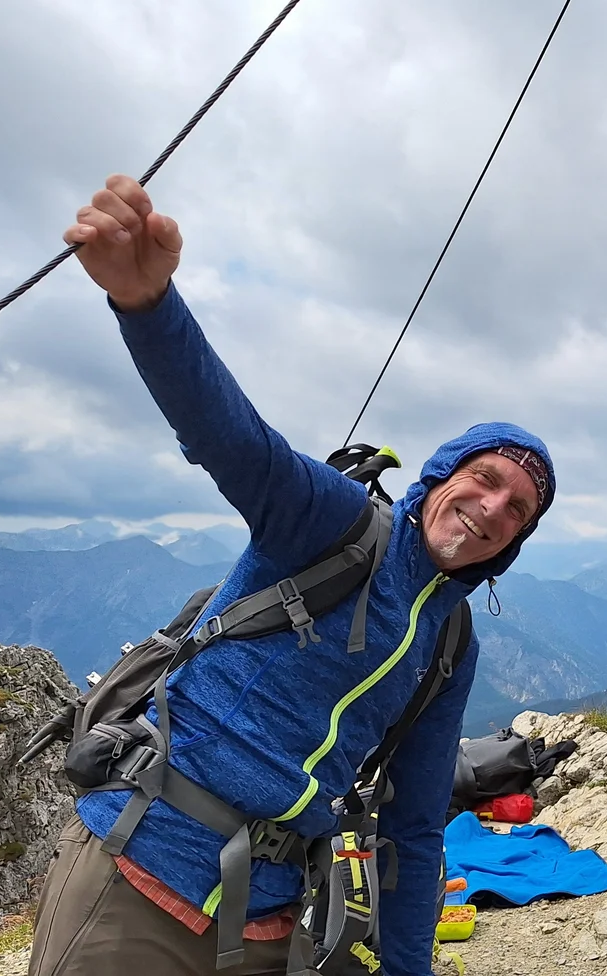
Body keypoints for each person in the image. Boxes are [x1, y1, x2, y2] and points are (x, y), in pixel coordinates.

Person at [30, 175, 555, 976]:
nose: (492, 508)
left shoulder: (450, 641)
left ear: (515, 540)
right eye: (483, 479)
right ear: (439, 477)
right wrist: (147, 303)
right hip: (140, 872)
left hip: (267, 922)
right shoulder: (331, 521)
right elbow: (230, 436)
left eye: (518, 509)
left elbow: (415, 825)